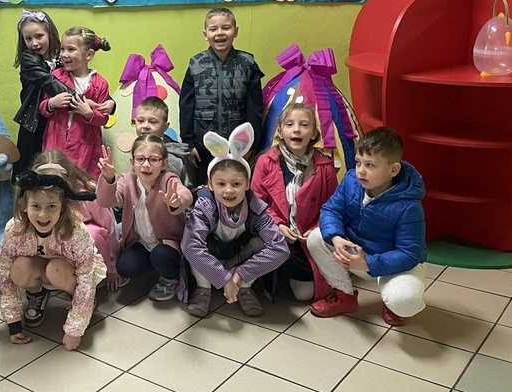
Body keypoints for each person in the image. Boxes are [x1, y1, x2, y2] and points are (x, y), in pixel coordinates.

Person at [307, 126, 426, 326]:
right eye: (358, 162)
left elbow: (409, 253)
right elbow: (330, 210)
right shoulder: (351, 180)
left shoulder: (409, 206)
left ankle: (394, 306)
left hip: (395, 266)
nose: (361, 170)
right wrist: (336, 237)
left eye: (370, 165)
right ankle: (344, 295)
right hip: (359, 255)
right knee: (316, 237)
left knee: (405, 301)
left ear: (393, 170)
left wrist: (368, 264)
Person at [182, 125, 290, 317]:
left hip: (239, 258)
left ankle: (244, 287)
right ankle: (203, 288)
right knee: (196, 243)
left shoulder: (255, 207)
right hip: (212, 256)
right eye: (221, 184)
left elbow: (280, 248)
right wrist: (225, 279)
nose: (229, 190)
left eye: (236, 184)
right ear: (210, 185)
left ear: (247, 184)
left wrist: (241, 274)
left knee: (259, 243)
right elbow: (190, 246)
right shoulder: (205, 205)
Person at [0, 164, 106, 350]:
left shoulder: (76, 232)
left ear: (62, 207)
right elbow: (5, 274)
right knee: (18, 268)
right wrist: (13, 323)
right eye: (36, 206)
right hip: (38, 268)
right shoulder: (14, 229)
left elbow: (86, 278)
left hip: (67, 273)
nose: (43, 214)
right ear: (24, 206)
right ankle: (36, 294)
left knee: (56, 270)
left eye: (51, 206)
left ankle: (77, 299)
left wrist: (75, 330)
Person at [251, 99, 338, 301]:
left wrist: (314, 229)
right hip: (276, 230)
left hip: (307, 235)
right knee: (278, 250)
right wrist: (278, 225)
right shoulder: (266, 161)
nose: (296, 130)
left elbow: (333, 207)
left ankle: (301, 269)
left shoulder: (325, 166)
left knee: (305, 294)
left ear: (314, 133)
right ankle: (272, 274)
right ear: (280, 131)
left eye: (304, 125)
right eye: (289, 124)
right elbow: (256, 201)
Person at [96, 136, 192, 301]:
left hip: (167, 245)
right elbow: (106, 201)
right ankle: (153, 268)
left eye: (153, 159)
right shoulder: (127, 180)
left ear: (163, 163)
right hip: (140, 243)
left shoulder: (168, 179)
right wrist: (108, 178)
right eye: (140, 159)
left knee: (161, 255)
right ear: (132, 162)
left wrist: (177, 201)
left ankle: (170, 278)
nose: (146, 165)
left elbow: (185, 195)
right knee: (125, 266)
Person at [180, 8, 264, 184]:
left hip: (238, 146)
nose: (219, 33)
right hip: (204, 147)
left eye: (226, 28)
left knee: (235, 186)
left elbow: (255, 109)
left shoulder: (247, 64)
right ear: (205, 34)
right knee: (206, 187)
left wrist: (251, 145)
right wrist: (189, 144)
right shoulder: (196, 64)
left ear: (236, 31)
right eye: (213, 29)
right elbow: (186, 106)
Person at [33, 149, 118, 289]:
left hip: (91, 250)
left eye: (57, 182)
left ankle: (89, 284)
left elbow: (109, 229)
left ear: (68, 177)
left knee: (91, 234)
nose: (52, 188)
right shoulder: (33, 198)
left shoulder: (86, 195)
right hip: (57, 253)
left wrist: (112, 268)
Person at [39, 26, 113, 178]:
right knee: (54, 181)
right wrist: (52, 103)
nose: (64, 54)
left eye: (71, 49)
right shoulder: (55, 77)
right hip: (56, 141)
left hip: (85, 145)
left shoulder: (100, 84)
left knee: (82, 183)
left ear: (89, 55)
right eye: (62, 49)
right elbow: (42, 107)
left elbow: (104, 118)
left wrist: (89, 114)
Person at [12, 10, 71, 177]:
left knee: (58, 168)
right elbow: (49, 82)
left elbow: (81, 75)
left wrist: (107, 100)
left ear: (50, 33)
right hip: (36, 123)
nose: (34, 43)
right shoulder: (29, 60)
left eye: (39, 36)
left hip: (58, 123)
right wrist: (81, 100)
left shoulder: (61, 57)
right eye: (28, 39)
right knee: (33, 169)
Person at [133, 95, 187, 180]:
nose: (145, 126)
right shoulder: (136, 149)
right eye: (140, 121)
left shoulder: (172, 159)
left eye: (153, 122)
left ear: (165, 127)